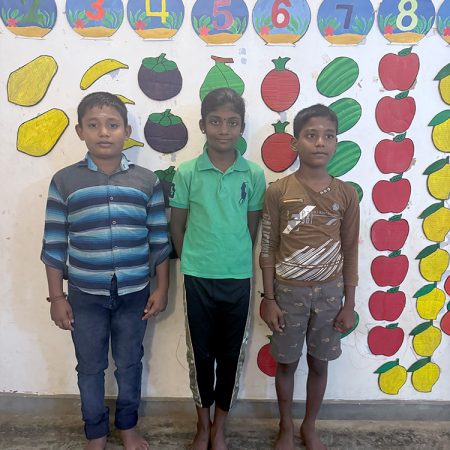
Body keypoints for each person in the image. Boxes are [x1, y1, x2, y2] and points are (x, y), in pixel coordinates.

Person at [41, 92, 171, 450]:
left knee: (130, 364)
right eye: (94, 125)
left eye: (112, 125)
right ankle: (95, 434)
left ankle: (127, 427)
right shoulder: (65, 181)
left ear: (126, 131)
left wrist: (162, 289)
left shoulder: (147, 181)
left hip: (135, 294)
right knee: (90, 368)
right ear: (81, 131)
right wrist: (56, 297)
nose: (104, 133)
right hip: (85, 295)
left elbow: (160, 241)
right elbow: (54, 245)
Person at [169, 88, 266, 450]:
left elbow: (251, 226)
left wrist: (233, 257)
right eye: (215, 121)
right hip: (197, 277)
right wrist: (192, 258)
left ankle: (220, 427)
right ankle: (202, 424)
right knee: (200, 354)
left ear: (241, 127)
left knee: (230, 356)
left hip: (238, 278)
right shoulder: (188, 172)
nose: (223, 129)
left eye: (232, 122)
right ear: (202, 126)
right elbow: (177, 225)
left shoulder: (253, 174)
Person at [259, 104, 359, 450]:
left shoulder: (346, 194)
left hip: (330, 297)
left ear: (336, 142)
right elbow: (268, 246)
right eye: (311, 135)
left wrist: (350, 303)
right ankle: (285, 427)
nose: (320, 142)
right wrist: (268, 299)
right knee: (285, 364)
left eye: (328, 136)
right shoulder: (278, 191)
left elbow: (350, 251)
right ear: (295, 143)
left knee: (319, 363)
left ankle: (309, 426)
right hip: (288, 295)